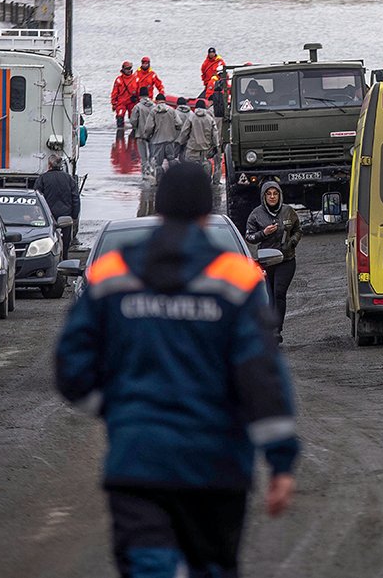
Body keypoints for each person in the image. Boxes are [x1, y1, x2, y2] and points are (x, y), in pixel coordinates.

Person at [54, 162, 299, 578]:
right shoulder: (236, 279)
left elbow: (71, 365)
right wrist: (281, 461)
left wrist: (118, 406)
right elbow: (261, 375)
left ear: (160, 208)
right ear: (207, 212)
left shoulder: (114, 273)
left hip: (137, 462)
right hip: (216, 466)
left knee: (146, 565)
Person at [244, 182, 303, 343]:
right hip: (266, 261)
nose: (272, 197)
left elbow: (298, 229)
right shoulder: (256, 214)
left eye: (274, 194)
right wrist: (263, 233)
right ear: (264, 196)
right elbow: (249, 237)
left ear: (279, 195)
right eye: (268, 194)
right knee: (268, 295)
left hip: (286, 259)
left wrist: (292, 242)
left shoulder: (288, 211)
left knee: (279, 293)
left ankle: (277, 328)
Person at [34, 153, 81, 258]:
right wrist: (74, 215)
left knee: (47, 238)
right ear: (60, 166)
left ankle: (49, 257)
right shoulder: (69, 179)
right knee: (66, 241)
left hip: (48, 215)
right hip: (66, 215)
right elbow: (76, 198)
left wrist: (37, 215)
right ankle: (64, 259)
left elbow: (37, 197)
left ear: (49, 165)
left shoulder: (42, 178)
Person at [180, 98, 219, 175]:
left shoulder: (191, 117)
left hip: (192, 149)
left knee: (190, 170)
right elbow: (215, 134)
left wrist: (181, 143)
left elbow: (184, 132)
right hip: (205, 149)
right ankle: (205, 184)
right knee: (206, 168)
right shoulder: (210, 119)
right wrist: (216, 145)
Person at [149, 94, 182, 173]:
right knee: (171, 159)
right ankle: (175, 176)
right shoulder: (171, 110)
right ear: (165, 101)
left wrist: (148, 136)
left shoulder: (153, 111)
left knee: (158, 164)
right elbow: (179, 123)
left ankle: (158, 181)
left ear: (156, 101)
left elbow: (149, 127)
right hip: (170, 140)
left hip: (157, 141)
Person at [128, 88, 155, 177]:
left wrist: (135, 128)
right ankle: (152, 171)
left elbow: (133, 120)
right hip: (152, 134)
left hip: (140, 134)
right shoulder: (154, 106)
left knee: (143, 157)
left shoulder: (138, 106)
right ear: (148, 95)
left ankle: (145, 173)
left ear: (140, 96)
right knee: (152, 155)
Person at [110, 62, 137, 129]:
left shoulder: (135, 79)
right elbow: (114, 92)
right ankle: (119, 136)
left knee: (134, 119)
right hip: (121, 102)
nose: (128, 70)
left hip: (132, 102)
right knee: (120, 117)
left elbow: (139, 90)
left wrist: (137, 98)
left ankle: (134, 136)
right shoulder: (119, 80)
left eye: (130, 68)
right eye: (127, 69)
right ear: (123, 69)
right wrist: (113, 103)